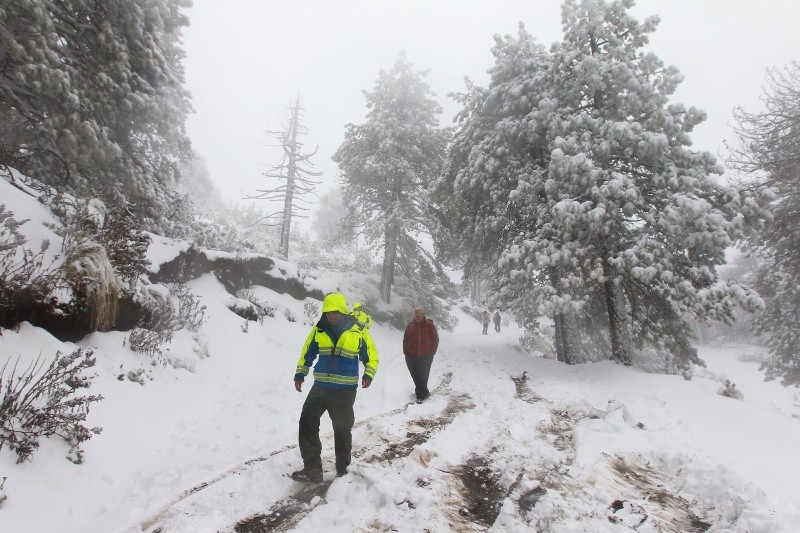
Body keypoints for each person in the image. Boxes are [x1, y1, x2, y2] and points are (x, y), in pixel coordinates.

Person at [291, 292, 379, 482]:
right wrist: (300, 373)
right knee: (307, 422)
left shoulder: (358, 330)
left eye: (336, 312)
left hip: (344, 389)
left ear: (343, 311)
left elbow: (371, 355)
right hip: (320, 386)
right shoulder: (319, 329)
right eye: (329, 312)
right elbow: (307, 351)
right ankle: (312, 468)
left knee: (341, 428)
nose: (332, 316)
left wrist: (369, 374)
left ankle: (343, 469)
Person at [403, 307, 439, 401]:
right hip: (411, 355)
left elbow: (435, 338)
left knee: (423, 375)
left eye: (419, 316)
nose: (418, 317)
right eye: (416, 316)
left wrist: (432, 351)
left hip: (426, 355)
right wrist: (406, 352)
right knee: (414, 374)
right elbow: (405, 339)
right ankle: (424, 391)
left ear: (423, 315)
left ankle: (420, 394)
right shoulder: (410, 326)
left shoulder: (429, 325)